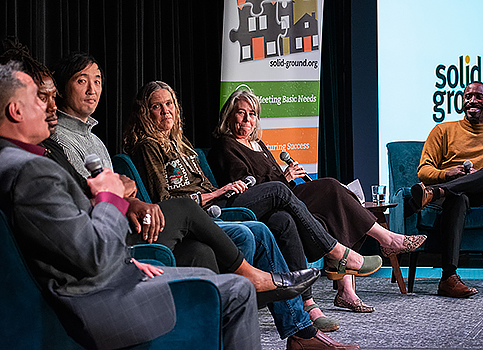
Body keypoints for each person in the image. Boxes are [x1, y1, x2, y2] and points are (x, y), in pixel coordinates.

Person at [50, 55, 353, 349]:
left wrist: (126, 194)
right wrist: (127, 195)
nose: (92, 89)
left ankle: (300, 327)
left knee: (274, 223)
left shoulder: (108, 141)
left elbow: (120, 193)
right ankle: (326, 259)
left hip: (197, 213)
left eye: (98, 81)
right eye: (82, 81)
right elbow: (124, 198)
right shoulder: (75, 144)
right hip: (146, 228)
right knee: (265, 208)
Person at [0, 62, 274, 350]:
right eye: (37, 100)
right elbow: (93, 255)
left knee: (207, 272)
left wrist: (126, 261)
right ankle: (252, 280)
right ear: (15, 111)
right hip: (90, 305)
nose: (47, 107)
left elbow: (60, 241)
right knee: (237, 290)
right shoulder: (31, 173)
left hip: (90, 281)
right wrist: (110, 196)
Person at [122, 81, 384, 339]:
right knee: (281, 194)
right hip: (204, 211)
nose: (166, 111)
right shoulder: (149, 147)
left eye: (169, 104)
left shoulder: (183, 145)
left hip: (217, 204)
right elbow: (165, 199)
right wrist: (218, 192)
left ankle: (302, 318)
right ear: (146, 113)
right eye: (157, 106)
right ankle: (335, 252)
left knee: (284, 218)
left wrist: (223, 190)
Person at [207, 89, 427, 315]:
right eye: (241, 113)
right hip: (265, 202)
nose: (247, 120)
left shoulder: (259, 145)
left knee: (337, 205)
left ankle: (346, 291)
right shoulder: (227, 145)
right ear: (229, 116)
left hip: (286, 196)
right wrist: (285, 177)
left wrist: (286, 178)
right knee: (330, 186)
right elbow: (248, 184)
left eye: (252, 114)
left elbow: (277, 184)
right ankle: (382, 242)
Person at [407, 81, 483, 298]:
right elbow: (423, 171)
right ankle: (449, 278)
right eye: (468, 96)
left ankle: (436, 192)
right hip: (454, 198)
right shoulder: (442, 130)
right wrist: (449, 174)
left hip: (482, 195)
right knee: (458, 197)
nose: (472, 101)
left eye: (479, 97)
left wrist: (476, 177)